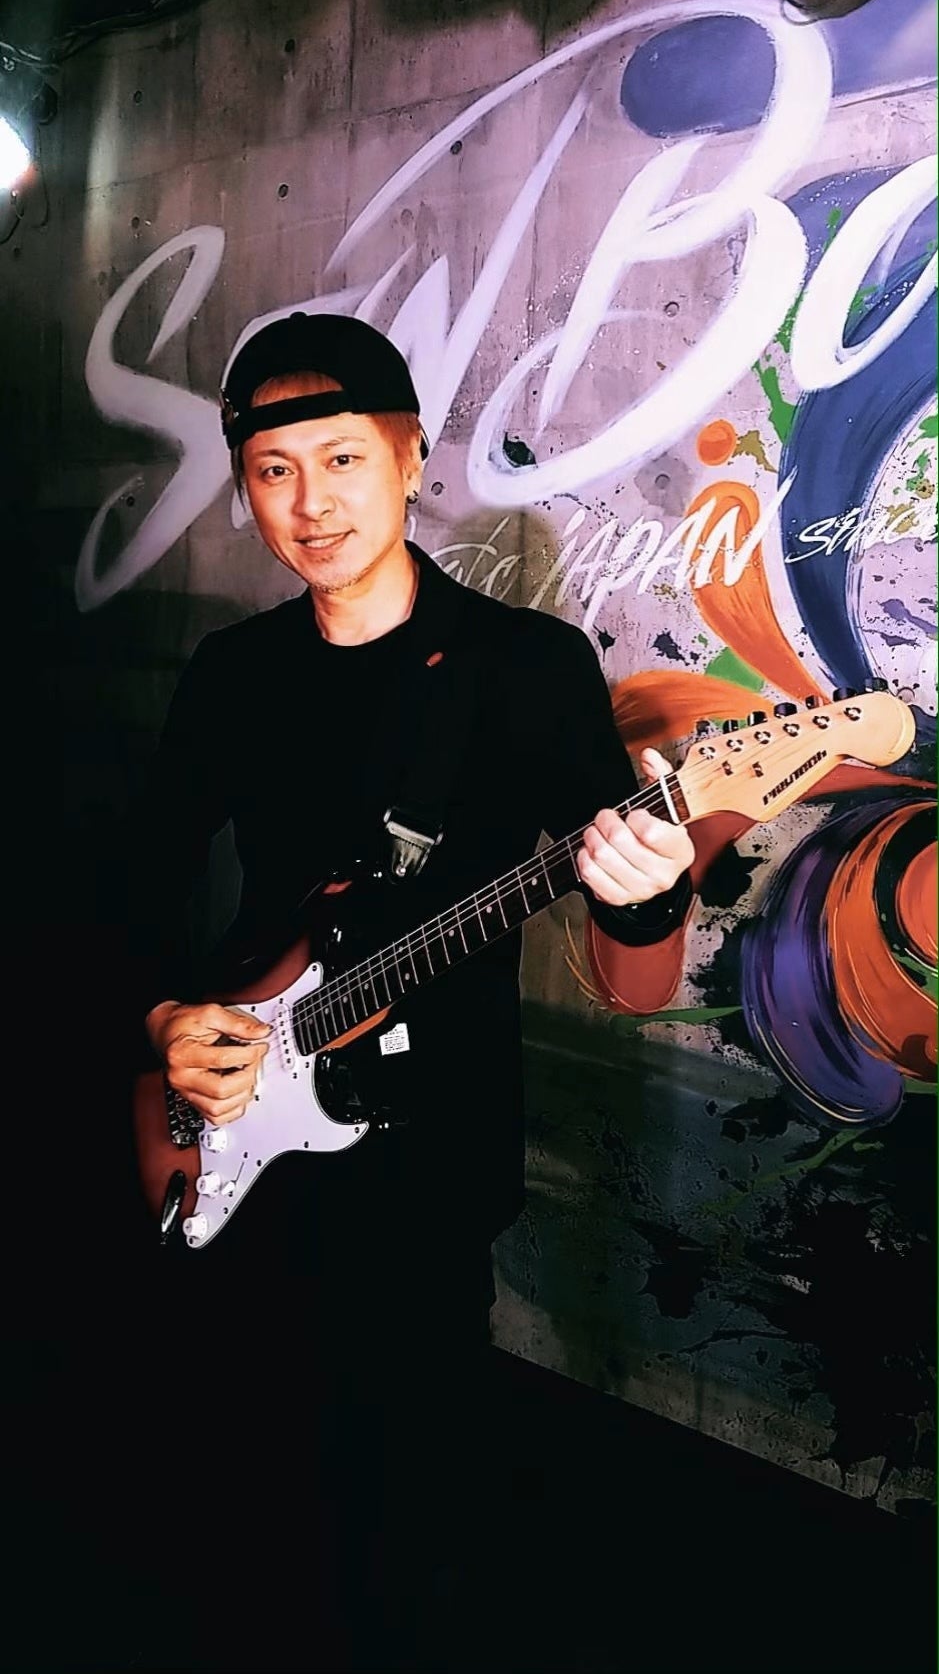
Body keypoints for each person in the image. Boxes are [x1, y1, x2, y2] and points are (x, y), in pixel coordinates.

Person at [117, 311, 695, 1671]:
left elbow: (633, 969)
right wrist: (165, 1018)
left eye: (341, 461)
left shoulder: (526, 667)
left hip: (429, 1171)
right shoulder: (235, 674)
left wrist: (647, 888)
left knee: (409, 1520)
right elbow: (137, 878)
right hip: (235, 1123)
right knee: (236, 1500)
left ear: (410, 457)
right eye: (274, 472)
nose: (309, 503)